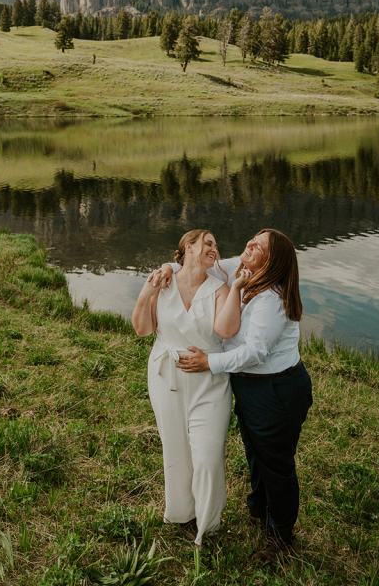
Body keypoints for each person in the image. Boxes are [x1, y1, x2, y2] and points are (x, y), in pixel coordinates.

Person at [176, 229, 313, 562]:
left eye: (259, 246)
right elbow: (207, 265)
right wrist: (172, 268)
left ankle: (281, 537)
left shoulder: (272, 299)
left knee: (276, 463)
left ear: (271, 260)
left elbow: (255, 352)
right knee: (255, 450)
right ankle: (260, 507)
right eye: (252, 239)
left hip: (276, 389)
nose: (249, 244)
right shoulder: (244, 268)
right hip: (251, 387)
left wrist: (210, 362)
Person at [131, 229, 248, 546]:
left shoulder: (220, 288)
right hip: (164, 377)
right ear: (187, 247)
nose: (214, 247)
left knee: (207, 454)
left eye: (216, 244)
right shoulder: (163, 280)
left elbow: (227, 329)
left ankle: (207, 524)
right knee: (175, 446)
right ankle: (180, 512)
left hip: (208, 383)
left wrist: (235, 288)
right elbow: (143, 328)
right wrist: (147, 291)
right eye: (207, 242)